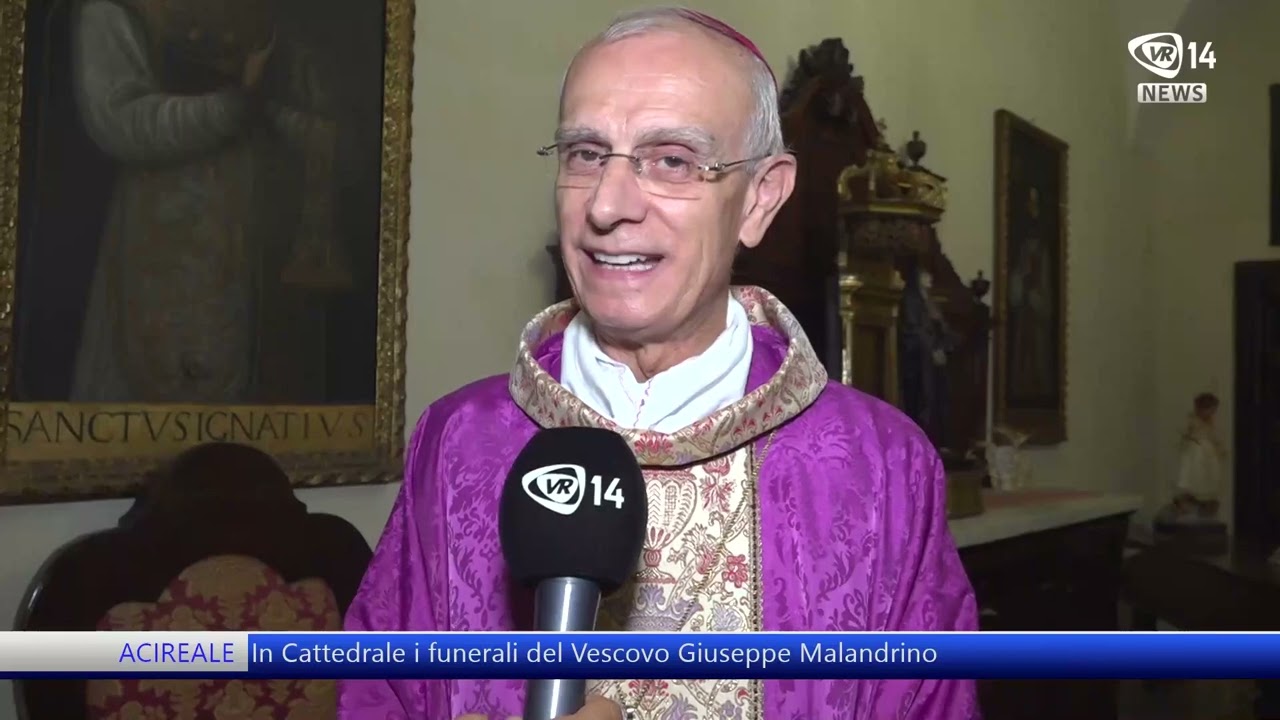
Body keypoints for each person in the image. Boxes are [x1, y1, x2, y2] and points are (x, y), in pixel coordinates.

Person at [339, 7, 979, 719]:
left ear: (759, 199)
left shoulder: (883, 467)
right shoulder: (457, 442)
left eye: (672, 160)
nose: (606, 206)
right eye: (586, 154)